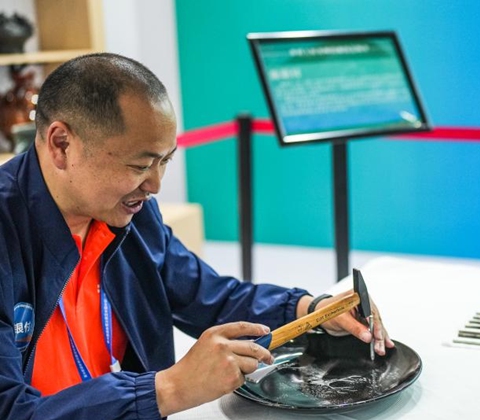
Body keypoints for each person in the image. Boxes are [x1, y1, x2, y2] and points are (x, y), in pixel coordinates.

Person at [0, 52, 393, 419]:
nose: (155, 185)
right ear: (61, 144)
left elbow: (207, 296)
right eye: (140, 165)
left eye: (165, 161)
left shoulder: (128, 213)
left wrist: (311, 310)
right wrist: (168, 388)